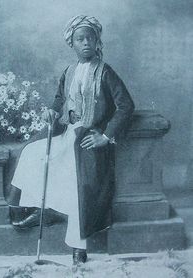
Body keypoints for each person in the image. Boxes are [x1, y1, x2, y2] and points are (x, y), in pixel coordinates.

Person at [11, 15, 135, 265]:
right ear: (72, 44)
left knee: (79, 181)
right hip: (68, 134)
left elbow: (126, 106)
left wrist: (106, 136)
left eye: (91, 38)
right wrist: (53, 111)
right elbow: (59, 99)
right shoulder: (69, 71)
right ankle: (46, 210)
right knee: (32, 153)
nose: (86, 42)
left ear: (97, 42)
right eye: (81, 39)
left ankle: (79, 247)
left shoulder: (105, 71)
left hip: (90, 140)